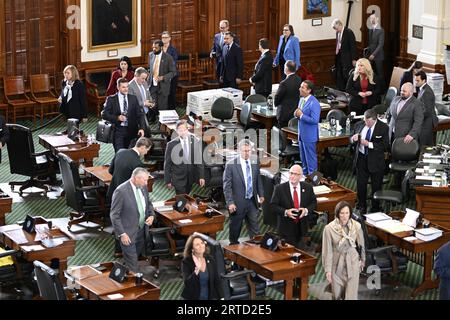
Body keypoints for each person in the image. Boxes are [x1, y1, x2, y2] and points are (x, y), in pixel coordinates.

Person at [107, 137, 152, 258]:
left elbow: (110, 171)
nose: (146, 153)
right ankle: (126, 250)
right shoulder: (137, 164)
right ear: (142, 147)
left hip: (112, 192)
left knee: (118, 219)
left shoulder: (120, 151)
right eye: (146, 150)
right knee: (126, 222)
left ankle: (118, 250)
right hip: (126, 197)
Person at [110, 168, 155, 273]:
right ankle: (135, 284)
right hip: (127, 234)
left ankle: (127, 272)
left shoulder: (143, 187)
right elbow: (114, 215)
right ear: (135, 178)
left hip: (142, 230)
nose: (146, 183)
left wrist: (151, 215)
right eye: (144, 180)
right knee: (133, 265)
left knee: (133, 258)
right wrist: (122, 234)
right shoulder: (121, 191)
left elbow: (148, 204)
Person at [223, 139, 265, 245]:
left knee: (255, 228)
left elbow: (258, 179)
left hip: (252, 201)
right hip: (237, 203)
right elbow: (227, 186)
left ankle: (256, 249)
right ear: (239, 151)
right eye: (244, 151)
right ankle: (233, 247)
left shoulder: (255, 161)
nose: (246, 153)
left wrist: (261, 194)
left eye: (248, 151)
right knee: (235, 228)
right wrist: (230, 202)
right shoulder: (231, 165)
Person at [322, 201, 365, 300]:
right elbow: (327, 251)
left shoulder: (357, 226)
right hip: (336, 265)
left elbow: (361, 245)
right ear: (337, 214)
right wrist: (328, 270)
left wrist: (362, 261)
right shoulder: (329, 229)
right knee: (336, 295)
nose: (345, 216)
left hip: (353, 262)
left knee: (351, 296)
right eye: (342, 213)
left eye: (347, 213)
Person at [350, 109, 389, 214]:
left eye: (368, 122)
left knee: (376, 185)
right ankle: (361, 205)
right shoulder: (359, 125)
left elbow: (385, 145)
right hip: (361, 158)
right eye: (365, 121)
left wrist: (369, 144)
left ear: (374, 119)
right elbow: (350, 139)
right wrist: (353, 139)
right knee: (361, 184)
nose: (366, 124)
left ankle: (375, 207)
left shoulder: (384, 128)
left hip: (376, 161)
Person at [270, 165, 317, 248]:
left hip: (302, 228)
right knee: (287, 255)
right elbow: (273, 206)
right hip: (286, 229)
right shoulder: (279, 188)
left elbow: (313, 202)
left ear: (300, 176)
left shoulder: (308, 187)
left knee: (300, 254)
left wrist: (306, 210)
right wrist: (286, 212)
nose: (292, 176)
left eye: (295, 174)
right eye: (291, 173)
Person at [102, 78, 146, 152]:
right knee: (119, 153)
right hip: (118, 130)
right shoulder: (111, 99)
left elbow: (140, 114)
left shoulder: (133, 98)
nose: (126, 89)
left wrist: (141, 128)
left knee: (129, 153)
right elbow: (104, 114)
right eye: (123, 87)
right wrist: (117, 118)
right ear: (118, 87)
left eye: (127, 87)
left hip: (131, 130)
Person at [164, 120, 205, 195]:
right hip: (178, 178)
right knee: (181, 199)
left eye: (184, 130)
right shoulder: (171, 145)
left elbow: (199, 160)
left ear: (187, 129)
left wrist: (201, 176)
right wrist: (168, 180)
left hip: (190, 177)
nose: (183, 132)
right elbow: (167, 164)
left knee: (187, 197)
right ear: (177, 131)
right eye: (180, 130)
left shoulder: (194, 140)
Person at [181, 234, 224, 300]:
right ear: (192, 249)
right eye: (197, 245)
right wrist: (197, 270)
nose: (201, 246)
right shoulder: (186, 262)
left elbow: (217, 280)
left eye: (202, 243)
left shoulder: (210, 259)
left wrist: (222, 297)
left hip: (209, 297)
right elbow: (188, 284)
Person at [294, 80, 321, 175]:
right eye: (300, 86)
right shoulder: (301, 99)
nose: (299, 89)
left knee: (311, 162)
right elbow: (299, 112)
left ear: (309, 90)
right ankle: (305, 180)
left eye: (302, 87)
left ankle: (314, 184)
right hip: (301, 135)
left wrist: (301, 116)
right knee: (304, 160)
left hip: (309, 136)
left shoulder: (314, 103)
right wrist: (296, 114)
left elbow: (315, 120)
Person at [148, 40, 177, 111]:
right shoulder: (151, 55)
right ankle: (153, 119)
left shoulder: (168, 57)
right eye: (153, 47)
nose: (154, 49)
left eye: (156, 48)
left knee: (162, 107)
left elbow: (173, 72)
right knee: (152, 104)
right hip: (152, 85)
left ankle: (162, 121)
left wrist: (163, 77)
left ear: (161, 47)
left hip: (163, 86)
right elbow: (149, 68)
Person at [274, 60, 302, 128]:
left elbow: (277, 97)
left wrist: (275, 104)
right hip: (295, 111)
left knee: (282, 134)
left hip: (284, 114)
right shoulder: (299, 79)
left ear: (286, 68)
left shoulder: (284, 83)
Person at [332, 19, 357, 91]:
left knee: (346, 75)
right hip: (339, 57)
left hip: (347, 58)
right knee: (339, 75)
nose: (336, 30)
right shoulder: (337, 32)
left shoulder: (349, 32)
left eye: (336, 28)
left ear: (340, 24)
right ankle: (341, 91)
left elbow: (353, 46)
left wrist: (354, 59)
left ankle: (348, 91)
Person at [415, 70, 438, 147]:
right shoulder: (422, 89)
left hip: (427, 123)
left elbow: (427, 111)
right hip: (424, 121)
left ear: (424, 80)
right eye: (415, 80)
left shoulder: (427, 92)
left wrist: (416, 116)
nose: (416, 82)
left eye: (418, 80)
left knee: (424, 145)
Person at [366, 14, 385, 90]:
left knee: (380, 74)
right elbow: (371, 43)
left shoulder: (381, 30)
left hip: (378, 55)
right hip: (370, 54)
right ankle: (373, 88)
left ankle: (382, 90)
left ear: (377, 19)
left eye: (373, 18)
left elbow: (381, 44)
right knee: (370, 73)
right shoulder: (370, 28)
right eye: (370, 19)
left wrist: (373, 54)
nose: (372, 20)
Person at [162, 31, 179, 110]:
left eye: (165, 37)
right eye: (162, 38)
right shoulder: (160, 48)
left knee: (171, 93)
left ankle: (172, 110)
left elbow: (173, 62)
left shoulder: (173, 50)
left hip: (172, 75)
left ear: (169, 39)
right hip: (162, 75)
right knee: (163, 94)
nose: (164, 39)